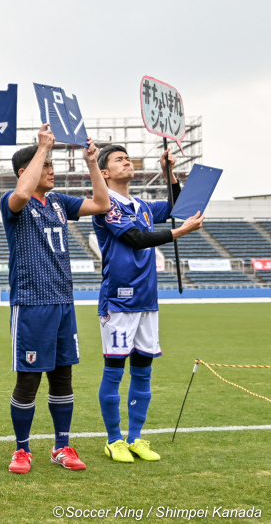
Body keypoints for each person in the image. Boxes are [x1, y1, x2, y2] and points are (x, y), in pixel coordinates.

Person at [1, 124, 110, 474]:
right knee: (29, 380)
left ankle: (61, 446)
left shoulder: (60, 201)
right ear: (27, 169)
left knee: (63, 377)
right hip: (32, 304)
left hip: (63, 302)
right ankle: (22, 450)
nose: (52, 170)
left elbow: (103, 203)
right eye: (46, 165)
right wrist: (42, 149)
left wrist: (93, 163)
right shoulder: (12, 201)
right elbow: (21, 192)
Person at [94, 145, 204, 462]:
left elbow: (177, 205)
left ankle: (136, 438)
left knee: (143, 372)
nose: (127, 162)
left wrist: (170, 172)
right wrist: (179, 232)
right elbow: (136, 239)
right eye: (119, 159)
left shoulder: (142, 205)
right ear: (104, 173)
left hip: (147, 301)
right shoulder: (104, 204)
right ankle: (114, 440)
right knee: (114, 371)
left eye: (128, 158)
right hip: (118, 300)